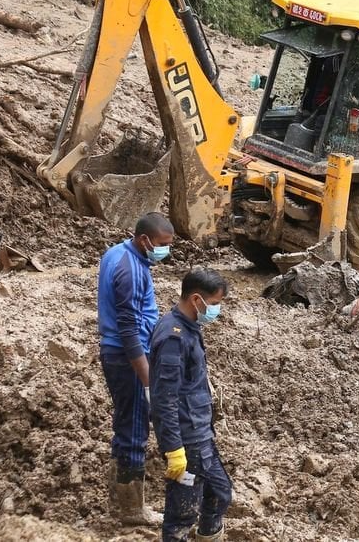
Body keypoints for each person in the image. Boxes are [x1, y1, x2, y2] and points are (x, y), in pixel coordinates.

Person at [98, 212, 175, 526]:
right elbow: (129, 330)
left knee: (126, 419)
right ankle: (131, 509)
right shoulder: (129, 270)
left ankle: (119, 490)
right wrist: (147, 380)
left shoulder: (118, 253)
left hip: (122, 353)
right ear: (145, 240)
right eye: (162, 245)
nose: (165, 251)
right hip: (127, 356)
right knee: (134, 428)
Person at [150, 268, 233, 542]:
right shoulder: (174, 338)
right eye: (216, 303)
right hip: (187, 439)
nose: (217, 309)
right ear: (197, 300)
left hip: (200, 433)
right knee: (182, 513)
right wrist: (174, 448)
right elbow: (165, 398)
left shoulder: (187, 327)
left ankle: (208, 535)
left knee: (219, 492)